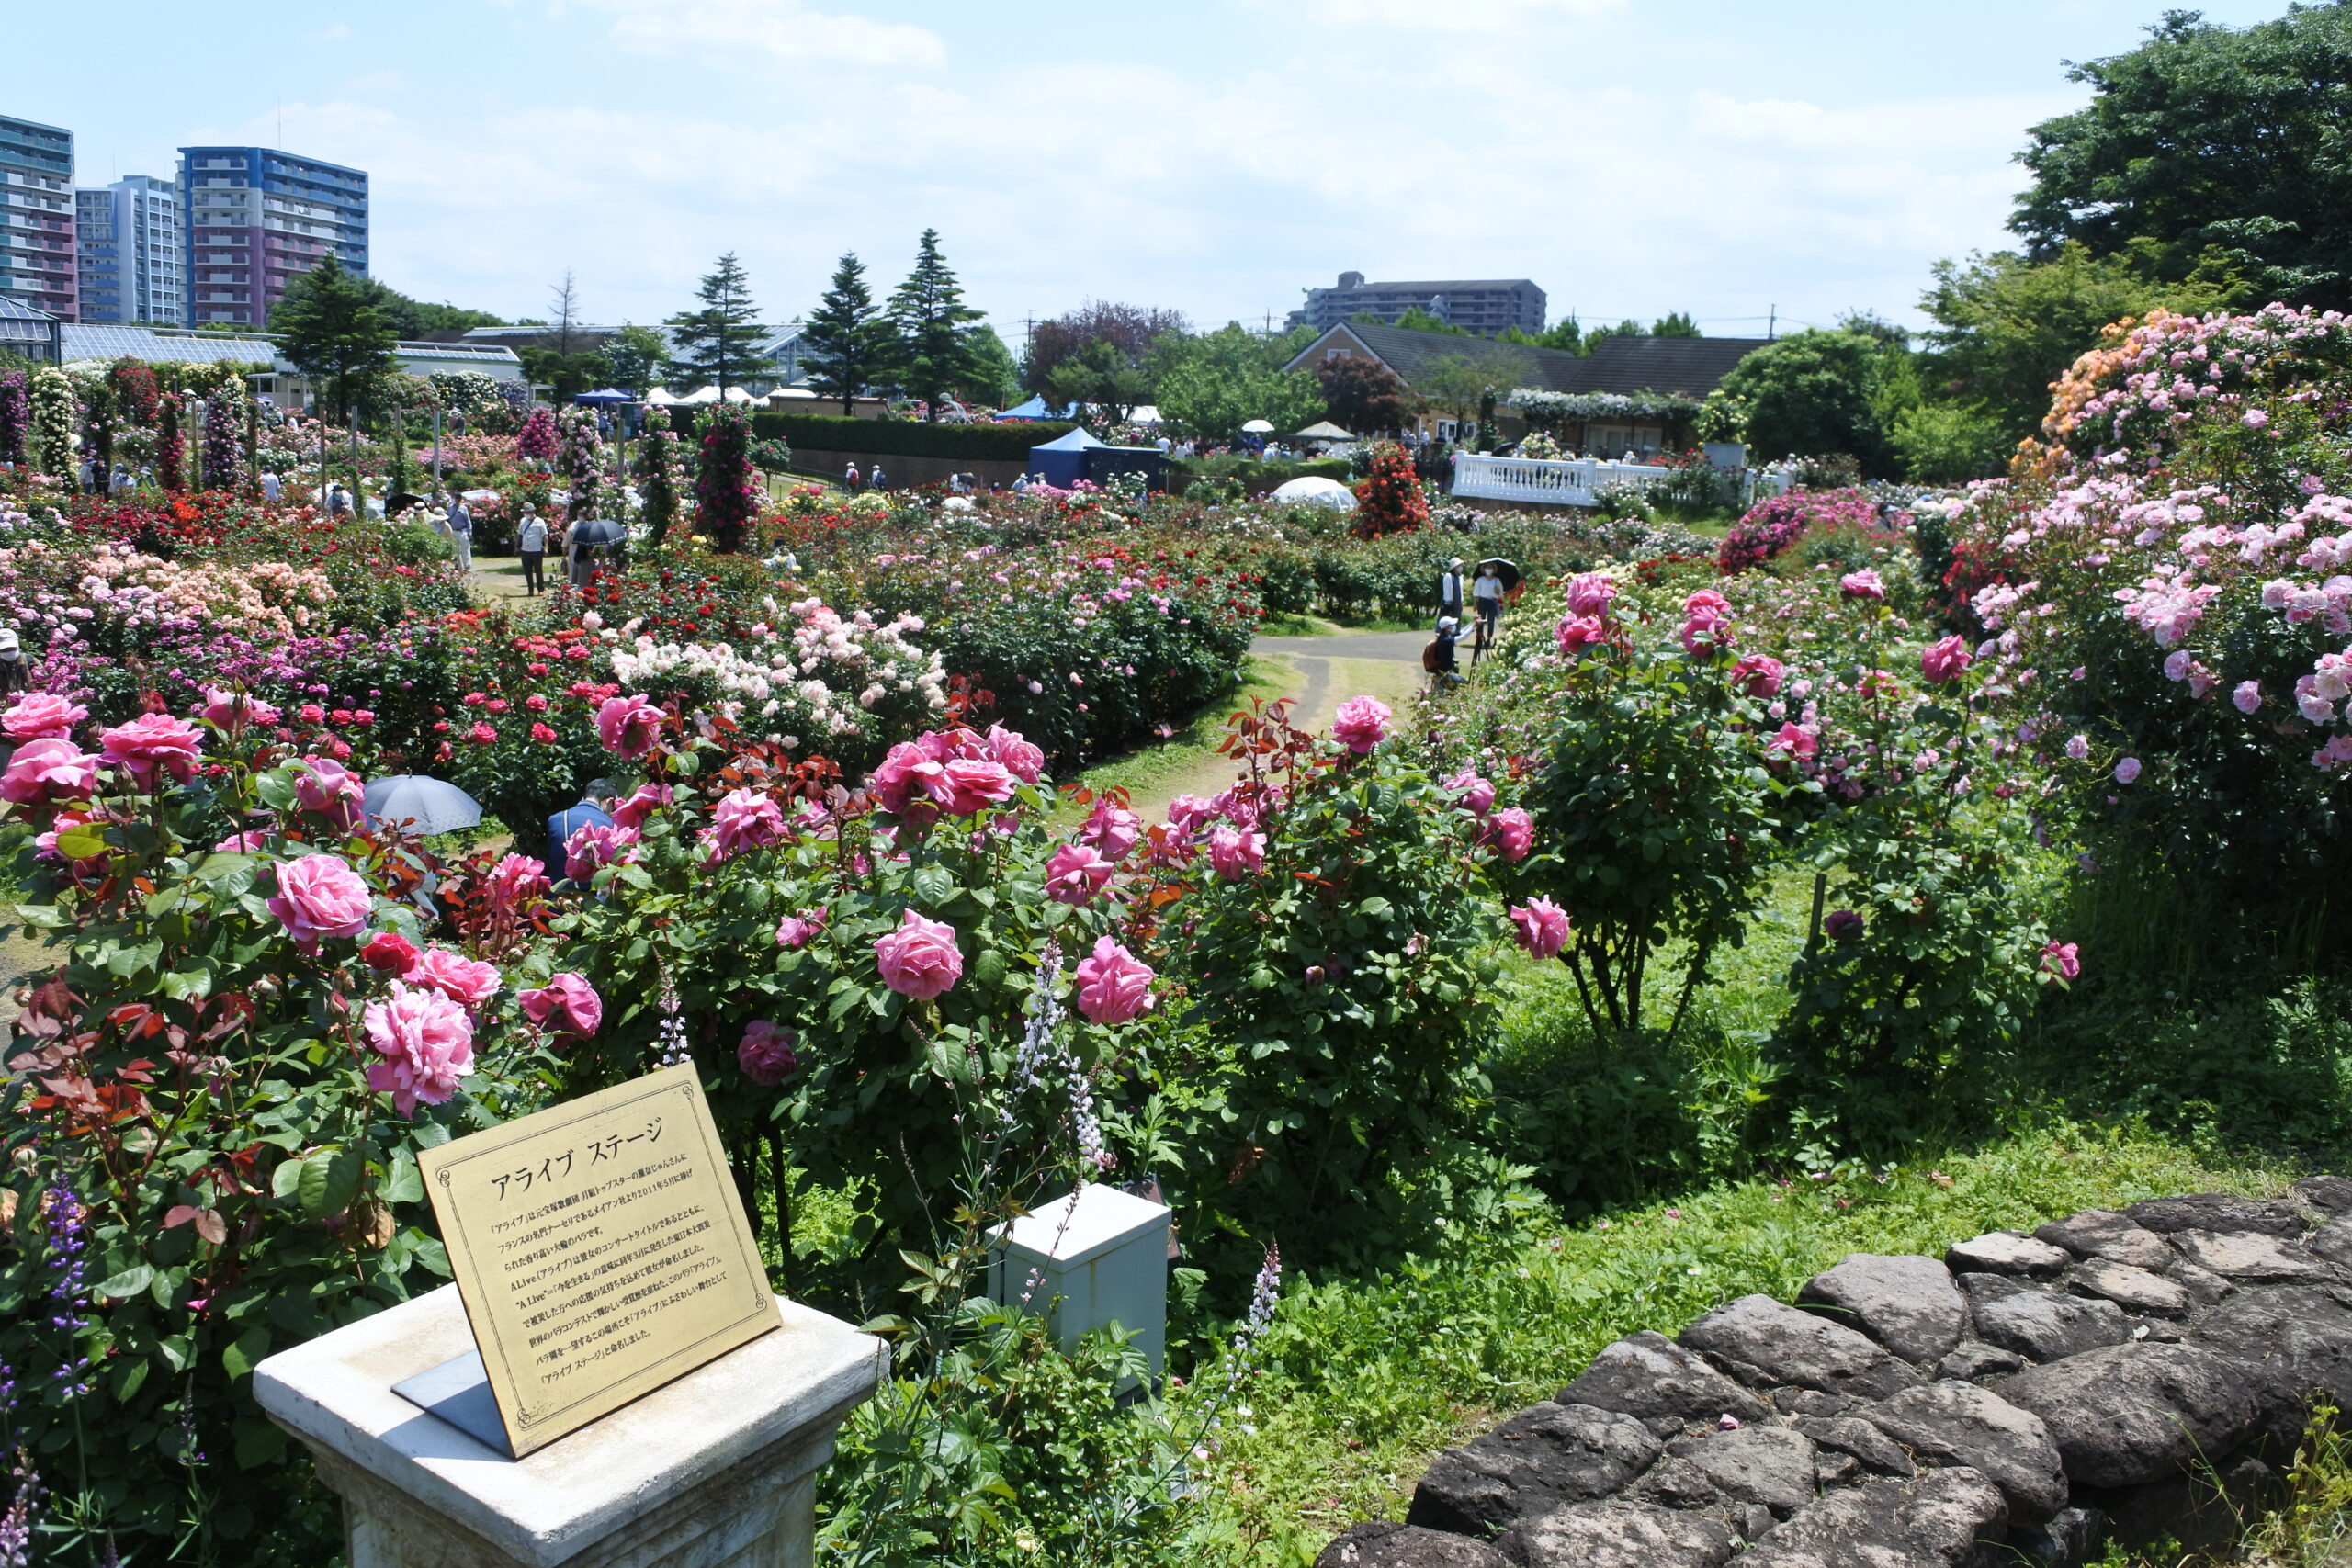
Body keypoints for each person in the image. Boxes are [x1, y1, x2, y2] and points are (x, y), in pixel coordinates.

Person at [546, 780, 616, 881]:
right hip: (593, 890)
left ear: (583, 798)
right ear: (609, 801)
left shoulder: (555, 819)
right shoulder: (611, 825)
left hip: (559, 888)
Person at [1471, 562, 1505, 652]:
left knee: (1491, 621)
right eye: (1487, 567)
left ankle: (1489, 639)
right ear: (1484, 569)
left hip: (1492, 602)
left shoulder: (1497, 580)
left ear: (1493, 569)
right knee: (1480, 620)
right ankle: (1479, 638)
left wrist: (1497, 592)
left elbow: (1500, 593)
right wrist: (1475, 603)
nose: (1489, 569)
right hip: (1482, 601)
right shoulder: (1480, 580)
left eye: (1490, 567)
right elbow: (1476, 592)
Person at [1422, 615, 1462, 694]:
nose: (1453, 626)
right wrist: (1473, 626)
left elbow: (1462, 632)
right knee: (1440, 693)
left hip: (1442, 669)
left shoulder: (1444, 637)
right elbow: (1463, 636)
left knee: (1442, 691)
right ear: (1447, 628)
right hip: (1443, 670)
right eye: (1451, 625)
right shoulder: (1445, 640)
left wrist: (1472, 625)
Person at [516, 504, 548, 595]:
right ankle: (530, 590)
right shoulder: (522, 521)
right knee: (527, 571)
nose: (525, 514)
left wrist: (546, 547)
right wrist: (517, 546)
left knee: (538, 570)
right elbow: (520, 534)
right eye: (524, 512)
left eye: (526, 512)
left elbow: (545, 535)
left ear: (532, 512)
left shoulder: (540, 521)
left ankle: (541, 589)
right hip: (525, 550)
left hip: (537, 550)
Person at [445, 493, 473, 571]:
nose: (453, 500)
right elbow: (446, 516)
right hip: (453, 531)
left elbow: (468, 520)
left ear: (459, 499)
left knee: (465, 550)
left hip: (462, 531)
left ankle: (468, 566)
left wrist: (469, 531)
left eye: (454, 498)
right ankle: (460, 566)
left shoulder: (463, 508)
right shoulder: (450, 508)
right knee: (456, 550)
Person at [1438, 558, 1465, 624]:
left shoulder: (1460, 577)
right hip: (1449, 605)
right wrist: (1449, 603)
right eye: (1459, 565)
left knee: (1457, 623)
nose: (1461, 567)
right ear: (1455, 567)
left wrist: (1461, 602)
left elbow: (1460, 591)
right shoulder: (1448, 576)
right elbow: (1447, 591)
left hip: (1457, 604)